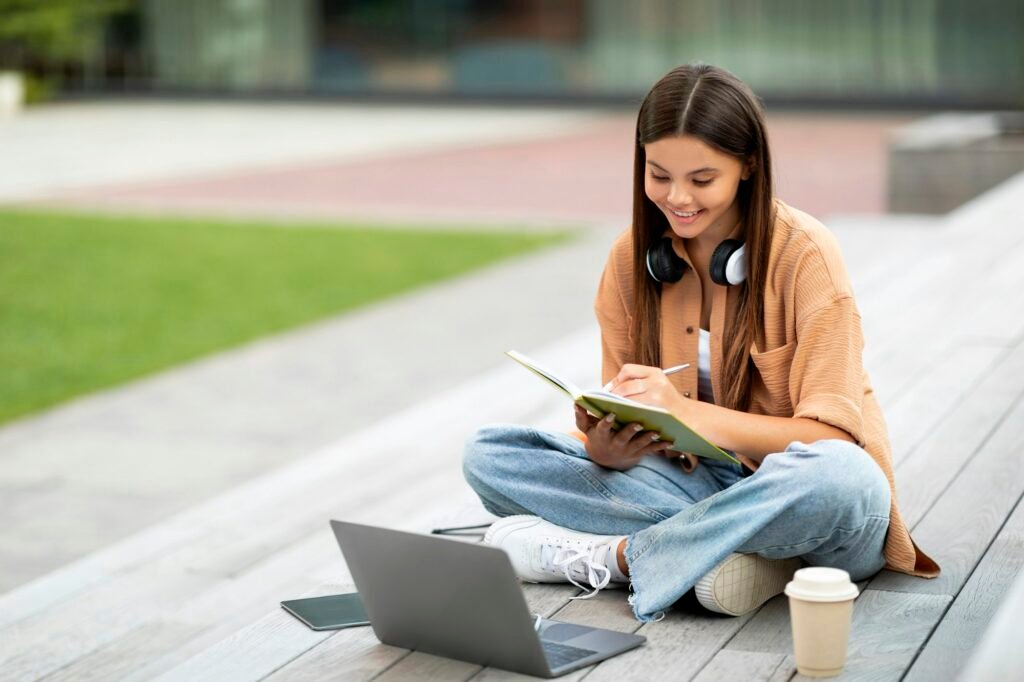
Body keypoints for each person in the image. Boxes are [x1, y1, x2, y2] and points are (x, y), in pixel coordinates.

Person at [462, 63, 939, 623]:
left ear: (748, 165)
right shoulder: (628, 260)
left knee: (843, 477)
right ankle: (741, 553)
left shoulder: (807, 254)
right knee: (490, 455)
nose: (678, 197)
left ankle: (619, 557)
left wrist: (687, 412)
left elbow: (831, 437)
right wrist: (604, 448)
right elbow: (627, 417)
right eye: (659, 175)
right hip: (694, 484)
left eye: (702, 179)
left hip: (803, 494)